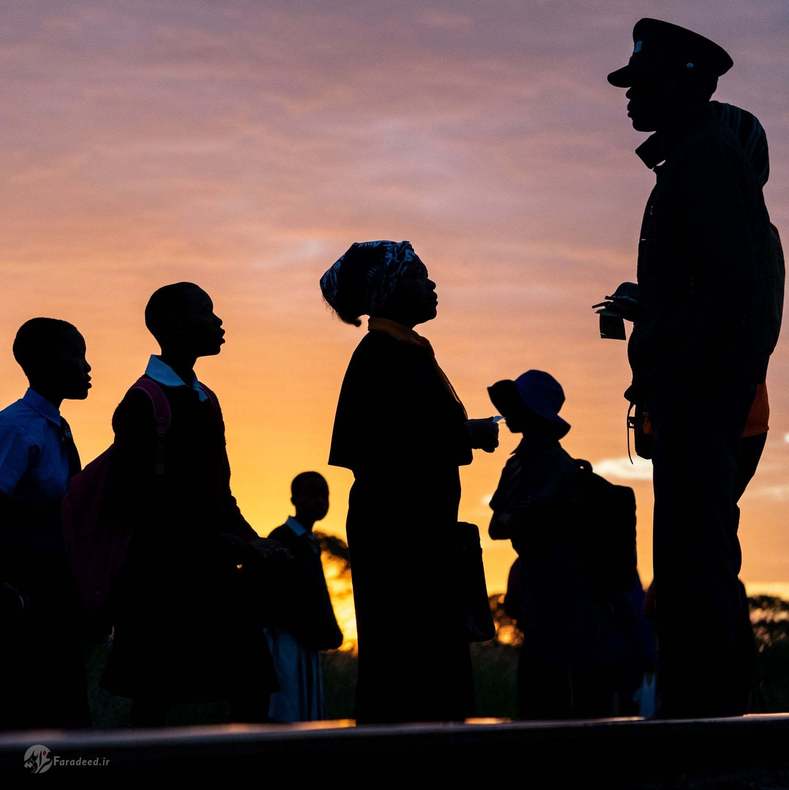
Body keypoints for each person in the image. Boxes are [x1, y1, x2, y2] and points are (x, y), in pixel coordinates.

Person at [600, 19, 784, 717]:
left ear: (683, 86)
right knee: (692, 563)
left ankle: (706, 724)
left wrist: (698, 398)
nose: (628, 97)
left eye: (641, 84)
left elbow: (735, 301)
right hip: (695, 404)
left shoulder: (706, 165)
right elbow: (712, 291)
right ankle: (705, 714)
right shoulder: (697, 163)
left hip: (700, 407)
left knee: (694, 566)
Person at [320, 240, 499, 723]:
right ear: (390, 289)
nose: (431, 284)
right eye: (419, 276)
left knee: (430, 659)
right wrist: (465, 434)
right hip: (400, 535)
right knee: (408, 661)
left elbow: (413, 432)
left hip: (420, 531)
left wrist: (461, 434)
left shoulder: (404, 351)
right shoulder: (381, 355)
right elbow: (389, 444)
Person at [101, 282, 279, 725]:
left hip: (209, 567)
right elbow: (139, 499)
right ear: (173, 325)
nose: (218, 322)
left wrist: (250, 539)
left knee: (250, 683)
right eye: (206, 312)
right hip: (161, 576)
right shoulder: (142, 402)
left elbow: (219, 490)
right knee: (156, 696)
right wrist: (228, 542)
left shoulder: (204, 398)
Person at [488, 370, 644, 719]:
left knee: (554, 696)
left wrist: (529, 517)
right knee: (545, 693)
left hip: (561, 597)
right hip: (542, 596)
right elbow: (498, 526)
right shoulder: (522, 466)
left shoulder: (556, 469)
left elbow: (507, 524)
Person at [0, 318, 92, 729]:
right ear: (46, 361)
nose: (86, 366)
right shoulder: (17, 428)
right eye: (76, 355)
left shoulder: (54, 427)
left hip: (54, 596)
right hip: (24, 601)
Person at [266, 472, 343, 722]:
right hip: (286, 641)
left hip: (306, 641)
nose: (319, 501)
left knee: (306, 709)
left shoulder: (309, 542)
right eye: (311, 494)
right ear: (294, 499)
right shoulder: (282, 539)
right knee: (288, 707)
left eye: (323, 495)